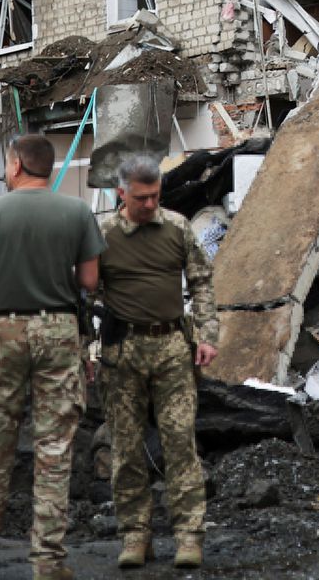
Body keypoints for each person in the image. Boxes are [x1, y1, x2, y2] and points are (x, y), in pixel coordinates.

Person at [0, 134, 106, 580]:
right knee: (54, 450)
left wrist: (0, 281)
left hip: (2, 330)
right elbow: (91, 280)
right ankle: (48, 563)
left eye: (7, 161)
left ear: (18, 165)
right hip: (59, 330)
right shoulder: (77, 211)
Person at [99, 154, 221, 570]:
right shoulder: (102, 235)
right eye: (141, 198)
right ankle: (135, 535)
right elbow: (83, 293)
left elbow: (202, 282)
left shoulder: (177, 227)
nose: (150, 205)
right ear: (121, 194)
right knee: (127, 448)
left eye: (155, 196)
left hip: (171, 348)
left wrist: (208, 335)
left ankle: (189, 535)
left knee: (179, 442)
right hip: (123, 353)